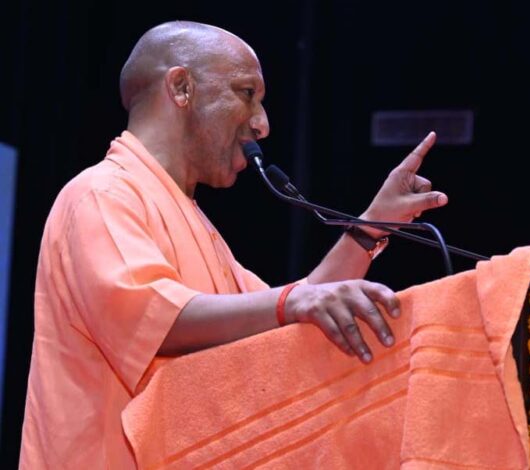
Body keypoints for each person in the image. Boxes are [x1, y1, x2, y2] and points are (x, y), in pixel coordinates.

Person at [20, 21, 448, 468]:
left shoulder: (188, 217)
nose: (262, 124)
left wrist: (370, 227)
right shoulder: (101, 194)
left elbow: (288, 319)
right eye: (247, 93)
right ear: (181, 87)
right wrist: (292, 303)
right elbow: (158, 320)